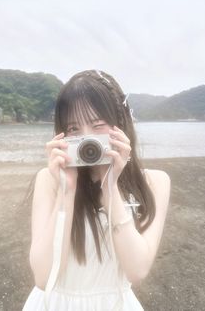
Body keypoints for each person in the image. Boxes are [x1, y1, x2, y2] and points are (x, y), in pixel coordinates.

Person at [22, 69, 171, 311]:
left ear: (121, 123)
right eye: (73, 130)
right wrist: (66, 191)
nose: (86, 139)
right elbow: (42, 277)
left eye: (97, 125)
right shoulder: (48, 180)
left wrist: (109, 186)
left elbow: (137, 271)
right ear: (61, 133)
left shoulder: (155, 182)